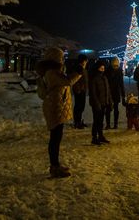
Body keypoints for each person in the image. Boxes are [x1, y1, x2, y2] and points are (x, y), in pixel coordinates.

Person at [35, 47, 81, 178]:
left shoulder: (53, 71)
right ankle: (54, 167)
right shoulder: (51, 73)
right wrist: (78, 72)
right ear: (55, 58)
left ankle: (56, 164)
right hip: (54, 107)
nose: (63, 59)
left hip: (56, 106)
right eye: (61, 57)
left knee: (56, 137)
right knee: (55, 138)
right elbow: (67, 81)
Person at [89, 60, 112, 145]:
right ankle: (94, 137)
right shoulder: (94, 78)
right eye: (101, 67)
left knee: (101, 121)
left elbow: (108, 91)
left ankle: (101, 136)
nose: (103, 69)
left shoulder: (104, 78)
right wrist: (97, 104)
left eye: (103, 67)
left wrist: (109, 102)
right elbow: (93, 93)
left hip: (104, 103)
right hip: (97, 104)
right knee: (96, 121)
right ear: (97, 68)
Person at [105, 57, 126, 129]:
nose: (115, 67)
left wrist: (123, 95)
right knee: (108, 109)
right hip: (109, 92)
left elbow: (121, 83)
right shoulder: (108, 71)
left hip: (116, 92)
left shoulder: (119, 71)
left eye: (116, 65)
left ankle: (115, 124)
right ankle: (108, 124)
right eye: (114, 65)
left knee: (116, 109)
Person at [70, 54, 89, 129]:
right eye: (85, 60)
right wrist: (78, 89)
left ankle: (79, 121)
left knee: (81, 106)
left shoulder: (83, 68)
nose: (86, 62)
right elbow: (75, 80)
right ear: (83, 61)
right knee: (78, 106)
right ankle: (77, 122)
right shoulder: (78, 68)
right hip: (79, 90)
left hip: (82, 90)